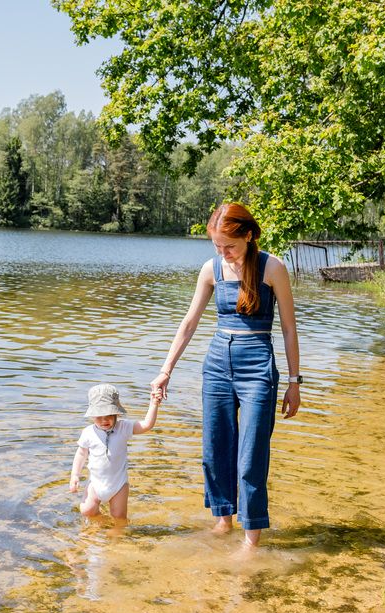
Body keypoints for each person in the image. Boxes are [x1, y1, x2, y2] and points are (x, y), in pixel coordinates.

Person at [150, 202, 301, 550]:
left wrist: (295, 383)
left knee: (251, 454)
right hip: (217, 365)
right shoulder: (210, 269)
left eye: (229, 246)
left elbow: (290, 330)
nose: (224, 253)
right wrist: (165, 371)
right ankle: (223, 520)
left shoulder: (273, 268)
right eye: (217, 246)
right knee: (215, 448)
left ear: (248, 236)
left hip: (257, 366)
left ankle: (251, 539)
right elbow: (189, 323)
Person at [69, 383, 162, 521]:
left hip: (119, 484)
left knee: (119, 516)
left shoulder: (123, 427)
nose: (104, 420)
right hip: (96, 482)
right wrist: (75, 475)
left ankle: (117, 537)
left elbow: (147, 425)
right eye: (98, 416)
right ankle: (102, 522)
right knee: (87, 510)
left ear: (116, 413)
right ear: (92, 415)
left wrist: (154, 403)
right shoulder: (88, 432)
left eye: (108, 415)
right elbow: (81, 454)